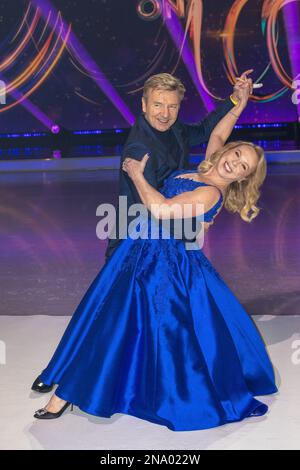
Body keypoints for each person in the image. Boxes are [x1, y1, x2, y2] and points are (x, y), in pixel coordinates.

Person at [31, 84, 278, 430]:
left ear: (243, 178)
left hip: (162, 262)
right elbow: (219, 130)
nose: (234, 164)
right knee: (111, 317)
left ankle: (68, 393)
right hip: (140, 248)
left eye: (243, 168)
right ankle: (74, 383)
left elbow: (161, 209)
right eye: (236, 156)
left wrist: (136, 175)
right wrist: (240, 100)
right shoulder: (210, 166)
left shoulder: (210, 192)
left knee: (118, 320)